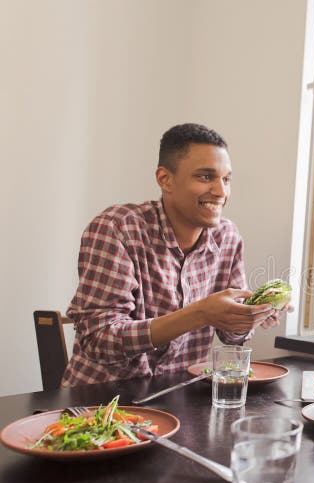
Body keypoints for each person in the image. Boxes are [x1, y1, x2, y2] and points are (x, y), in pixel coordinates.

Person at [62, 123, 284, 386]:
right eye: (205, 177)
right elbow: (98, 340)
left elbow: (230, 337)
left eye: (226, 179)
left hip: (180, 399)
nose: (221, 192)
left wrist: (248, 315)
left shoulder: (228, 237)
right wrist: (200, 314)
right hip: (102, 402)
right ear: (165, 179)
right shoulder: (118, 227)